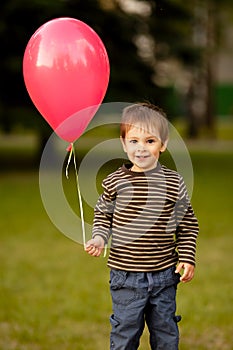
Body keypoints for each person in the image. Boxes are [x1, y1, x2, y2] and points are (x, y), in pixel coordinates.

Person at [85, 102, 199, 350]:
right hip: (126, 277)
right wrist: (99, 238)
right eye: (134, 141)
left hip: (164, 275)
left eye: (150, 141)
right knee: (125, 335)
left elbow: (187, 224)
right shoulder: (115, 182)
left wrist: (188, 257)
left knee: (166, 335)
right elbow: (103, 214)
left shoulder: (173, 182)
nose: (141, 148)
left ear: (163, 143)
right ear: (124, 143)